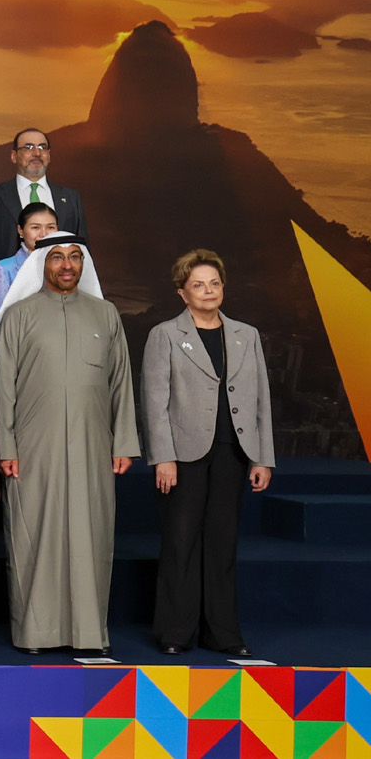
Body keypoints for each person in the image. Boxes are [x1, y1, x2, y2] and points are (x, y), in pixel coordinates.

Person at [0, 234, 137, 653]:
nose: (67, 265)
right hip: (32, 448)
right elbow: (2, 389)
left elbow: (121, 384)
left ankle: (89, 634)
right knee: (34, 535)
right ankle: (36, 633)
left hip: (94, 446)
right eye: (57, 257)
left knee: (91, 536)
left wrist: (123, 442)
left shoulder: (105, 314)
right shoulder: (18, 316)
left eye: (75, 257)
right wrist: (6, 447)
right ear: (43, 265)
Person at [142, 250, 273, 657]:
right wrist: (162, 457)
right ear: (183, 292)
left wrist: (263, 457)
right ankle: (175, 632)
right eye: (198, 285)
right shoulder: (164, 334)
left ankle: (222, 632)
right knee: (181, 542)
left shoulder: (245, 334)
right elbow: (153, 401)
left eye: (214, 283)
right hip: (183, 456)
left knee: (223, 542)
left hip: (233, 451)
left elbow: (261, 400)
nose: (208, 291)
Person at [0, 128, 86, 324]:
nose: (36, 153)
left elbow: (81, 250)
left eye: (42, 147)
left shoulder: (70, 198)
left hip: (61, 301)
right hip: (7, 299)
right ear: (14, 156)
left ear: (49, 155)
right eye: (28, 147)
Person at [0, 202, 59, 340]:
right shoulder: (4, 269)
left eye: (50, 227)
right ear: (21, 230)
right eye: (35, 227)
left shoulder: (66, 267)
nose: (43, 234)